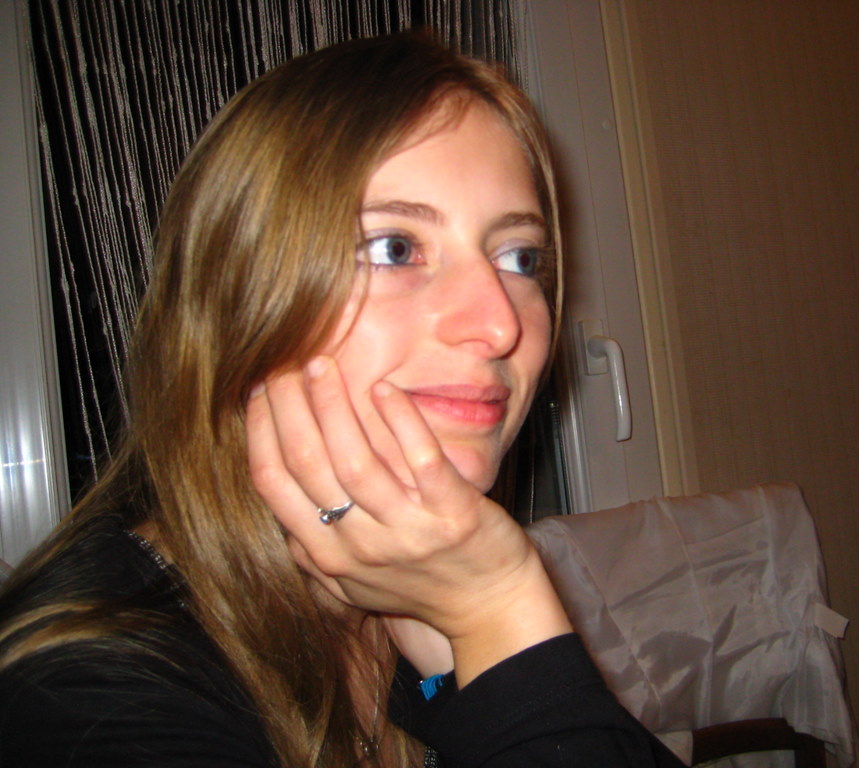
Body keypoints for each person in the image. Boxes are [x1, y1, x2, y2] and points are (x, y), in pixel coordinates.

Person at [0, 32, 685, 767]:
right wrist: (497, 606)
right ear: (236, 298)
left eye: (519, 258)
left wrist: (460, 663)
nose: (500, 324)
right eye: (395, 248)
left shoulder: (404, 593)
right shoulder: (89, 700)